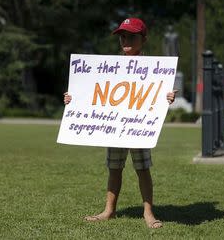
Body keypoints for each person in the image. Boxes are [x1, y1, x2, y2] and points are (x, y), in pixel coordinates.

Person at [63, 18, 177, 229]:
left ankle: (148, 213)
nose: (125, 40)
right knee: (114, 168)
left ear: (143, 39)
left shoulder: (156, 69)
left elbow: (158, 97)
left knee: (142, 168)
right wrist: (72, 99)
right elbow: (88, 93)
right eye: (122, 36)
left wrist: (167, 97)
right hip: (114, 127)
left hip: (138, 127)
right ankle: (109, 211)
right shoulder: (108, 68)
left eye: (131, 36)